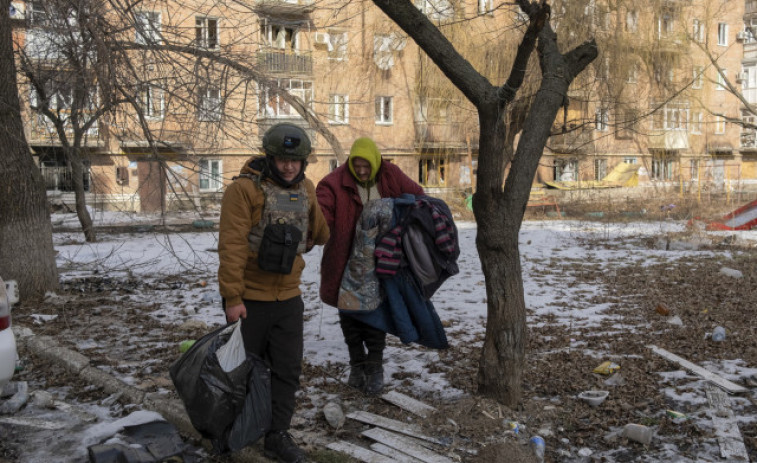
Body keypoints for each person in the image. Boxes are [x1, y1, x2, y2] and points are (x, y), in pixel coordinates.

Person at [218, 123, 329, 463]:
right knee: (241, 371)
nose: (288, 167)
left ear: (304, 162)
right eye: (281, 159)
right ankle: (232, 430)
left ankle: (277, 434)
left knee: (286, 370)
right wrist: (233, 298)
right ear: (269, 157)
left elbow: (321, 233)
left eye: (295, 161)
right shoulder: (243, 191)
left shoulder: (307, 188)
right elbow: (232, 247)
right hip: (249, 300)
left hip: (289, 301)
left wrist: (306, 232)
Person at [316, 137, 423, 395]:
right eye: (357, 166)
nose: (362, 170)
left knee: (376, 314)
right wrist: (314, 230)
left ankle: (374, 366)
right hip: (344, 260)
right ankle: (356, 364)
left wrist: (400, 218)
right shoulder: (334, 182)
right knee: (349, 311)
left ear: (376, 162)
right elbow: (321, 213)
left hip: (382, 260)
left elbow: (418, 197)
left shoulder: (390, 174)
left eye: (367, 166)